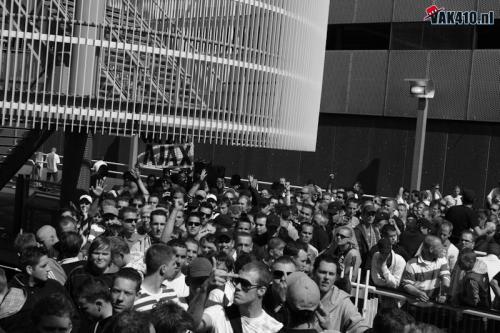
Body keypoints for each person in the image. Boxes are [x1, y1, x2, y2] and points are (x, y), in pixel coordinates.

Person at [191, 261, 283, 333]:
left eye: (245, 284)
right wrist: (204, 288)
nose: (238, 287)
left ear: (261, 291)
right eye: (237, 281)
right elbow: (191, 325)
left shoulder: (274, 327)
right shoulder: (218, 313)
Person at [312, 254, 368, 333]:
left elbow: (359, 326)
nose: (326, 277)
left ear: (336, 277)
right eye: (322, 272)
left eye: (331, 274)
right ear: (314, 272)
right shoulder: (301, 293)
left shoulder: (343, 302)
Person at [401, 236, 450, 303]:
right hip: (415, 306)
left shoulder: (442, 259)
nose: (442, 250)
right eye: (439, 248)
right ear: (431, 249)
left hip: (433, 306)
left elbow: (446, 276)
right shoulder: (412, 264)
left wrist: (443, 293)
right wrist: (418, 293)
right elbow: (406, 285)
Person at [134, 244, 179, 312]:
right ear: (163, 268)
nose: (176, 266)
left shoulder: (171, 293)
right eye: (173, 264)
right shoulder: (135, 296)